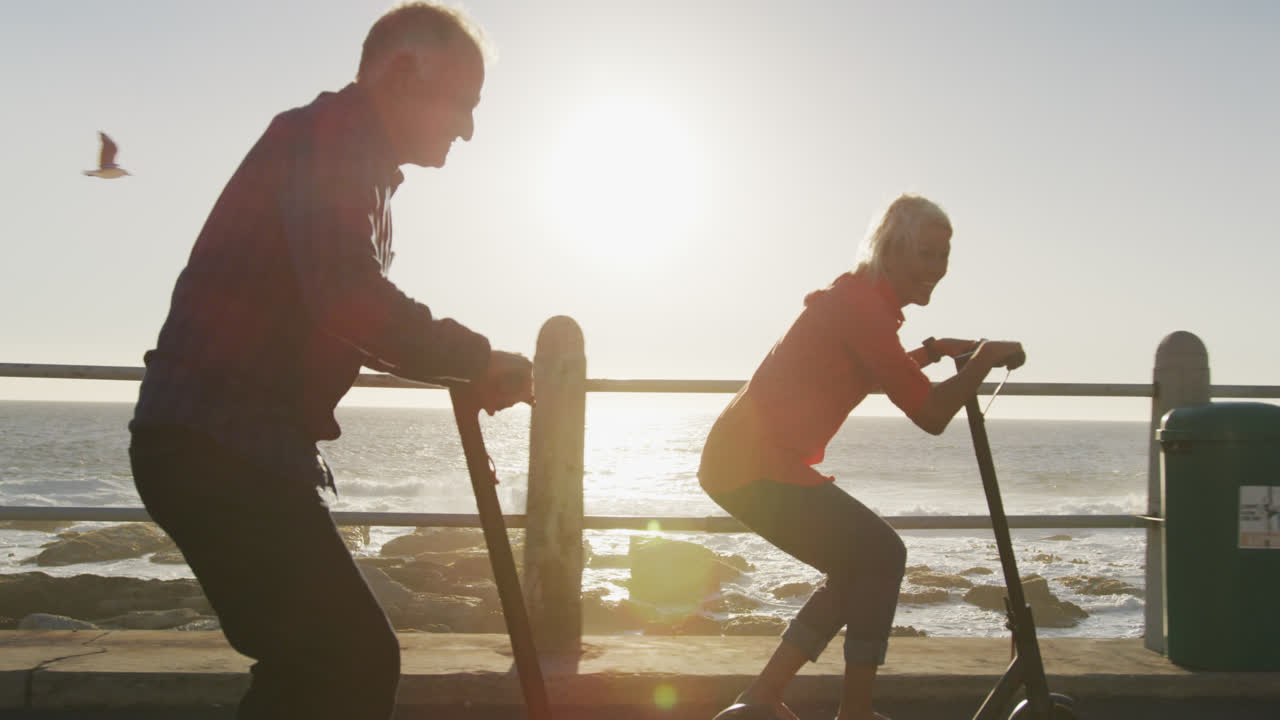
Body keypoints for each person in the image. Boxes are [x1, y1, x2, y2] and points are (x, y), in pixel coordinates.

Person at [127, 4, 531, 719]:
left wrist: (465, 368)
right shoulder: (332, 140)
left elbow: (343, 309)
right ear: (404, 73)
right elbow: (347, 298)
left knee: (314, 666)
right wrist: (475, 358)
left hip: (229, 444)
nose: (468, 126)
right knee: (346, 658)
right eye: (463, 102)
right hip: (217, 442)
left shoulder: (350, 158)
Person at [700, 194, 1023, 720]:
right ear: (891, 251)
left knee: (858, 563)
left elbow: (876, 370)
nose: (937, 270)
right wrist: (984, 357)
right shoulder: (860, 308)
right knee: (883, 554)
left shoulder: (859, 303)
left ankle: (765, 693)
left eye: (944, 256)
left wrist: (937, 350)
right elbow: (930, 413)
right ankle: (854, 712)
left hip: (746, 460)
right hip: (750, 463)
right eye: (926, 254)